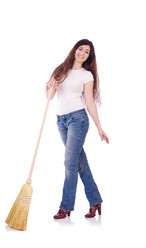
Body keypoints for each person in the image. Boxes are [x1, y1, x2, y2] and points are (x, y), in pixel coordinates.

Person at [46, 39, 109, 219]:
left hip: (78, 120)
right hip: (61, 121)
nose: (82, 53)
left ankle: (65, 207)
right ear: (75, 50)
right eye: (80, 49)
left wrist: (99, 127)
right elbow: (50, 97)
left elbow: (89, 102)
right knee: (79, 162)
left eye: (87, 51)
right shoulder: (60, 70)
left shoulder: (86, 75)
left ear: (89, 56)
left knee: (69, 162)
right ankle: (95, 201)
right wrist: (51, 86)